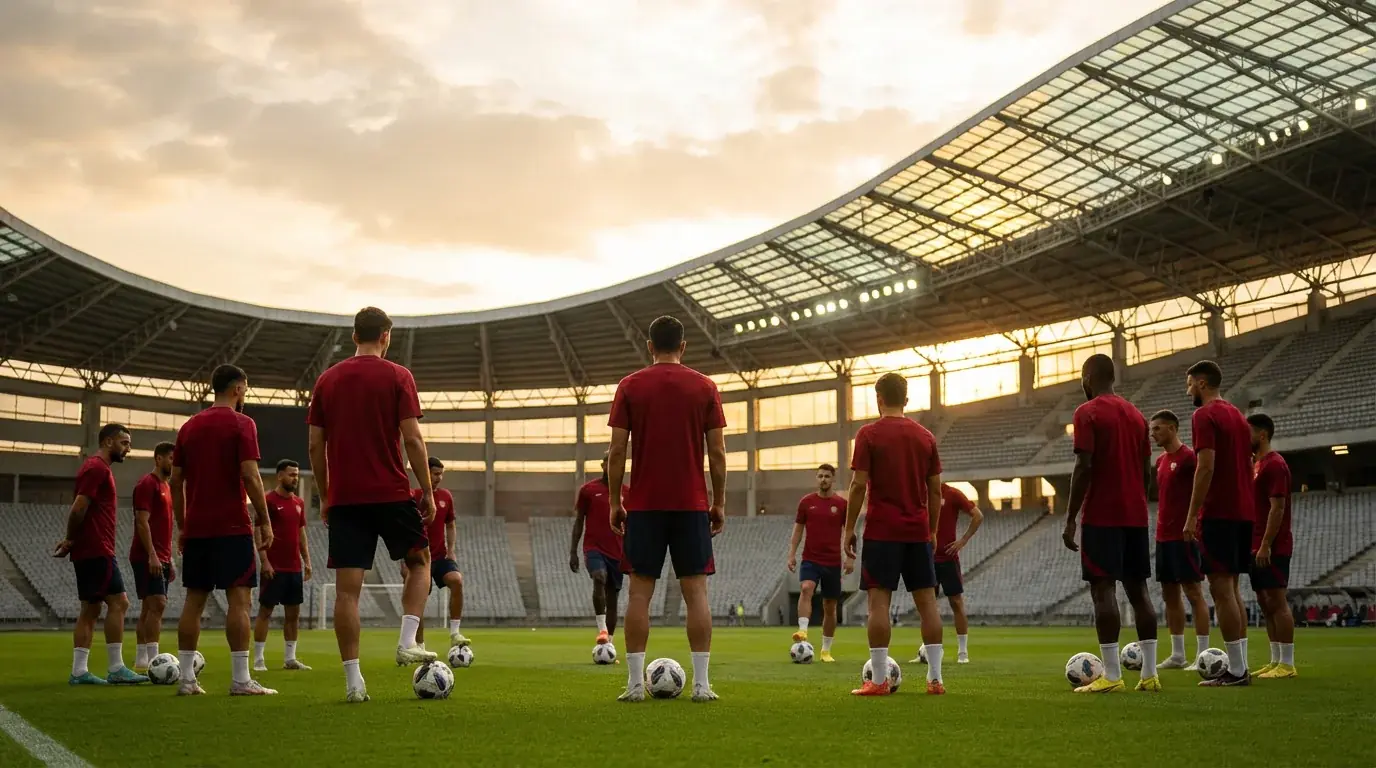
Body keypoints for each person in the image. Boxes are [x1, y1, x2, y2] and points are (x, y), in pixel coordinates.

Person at [308, 307, 435, 704]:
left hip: (347, 500)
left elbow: (315, 445)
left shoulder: (327, 381)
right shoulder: (398, 376)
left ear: (353, 337)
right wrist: (427, 489)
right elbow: (412, 439)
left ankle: (353, 682)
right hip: (391, 493)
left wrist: (327, 496)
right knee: (420, 562)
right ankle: (406, 641)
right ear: (386, 336)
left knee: (347, 593)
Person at [608, 315, 727, 703]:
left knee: (639, 594)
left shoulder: (630, 386)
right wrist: (718, 501)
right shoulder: (705, 387)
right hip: (691, 504)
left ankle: (633, 685)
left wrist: (615, 501)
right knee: (696, 593)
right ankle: (702, 685)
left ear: (649, 345)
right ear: (684, 345)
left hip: (643, 505)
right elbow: (718, 453)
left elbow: (617, 452)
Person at [172, 365, 276, 696]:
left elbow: (176, 481)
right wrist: (264, 517)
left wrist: (182, 525)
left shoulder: (189, 427)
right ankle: (240, 679)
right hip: (232, 526)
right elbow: (249, 474)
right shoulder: (242, 423)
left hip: (198, 527)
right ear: (238, 389)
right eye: (245, 389)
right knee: (240, 601)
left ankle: (186, 679)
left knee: (194, 600)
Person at [1061, 354, 1159, 693]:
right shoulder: (1137, 415)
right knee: (1139, 591)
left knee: (1103, 589)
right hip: (1135, 514)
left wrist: (1071, 517)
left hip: (1102, 514)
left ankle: (1113, 676)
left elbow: (1084, 467)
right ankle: (1149, 674)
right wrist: (1137, 502)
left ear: (1088, 377)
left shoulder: (1087, 412)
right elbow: (1147, 470)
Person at [845, 372, 946, 697]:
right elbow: (935, 491)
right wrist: (931, 529)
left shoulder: (869, 434)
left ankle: (878, 681)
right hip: (916, 531)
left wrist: (848, 528)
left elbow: (859, 484)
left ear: (878, 398)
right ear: (906, 398)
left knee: (878, 605)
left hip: (881, 531)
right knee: (928, 604)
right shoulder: (925, 437)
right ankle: (935, 679)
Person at [54, 423, 147, 685]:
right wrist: (71, 539)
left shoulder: (96, 468)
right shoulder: (96, 468)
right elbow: (78, 508)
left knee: (91, 609)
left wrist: (73, 542)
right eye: (124, 443)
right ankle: (116, 667)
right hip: (96, 549)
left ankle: (79, 671)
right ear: (108, 442)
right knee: (119, 603)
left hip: (90, 549)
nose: (128, 449)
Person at [1184, 359, 1256, 687]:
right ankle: (1241, 666)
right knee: (1234, 590)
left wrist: (1190, 516)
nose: (1188, 391)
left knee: (1221, 589)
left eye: (1189, 384)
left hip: (1219, 512)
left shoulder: (1205, 415)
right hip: (1244, 511)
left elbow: (1206, 467)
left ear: (1201, 383)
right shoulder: (1239, 417)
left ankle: (1238, 672)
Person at [1148, 410, 1211, 671]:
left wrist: (1194, 521)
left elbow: (1204, 488)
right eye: (1152, 430)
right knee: (1169, 594)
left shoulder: (1188, 458)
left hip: (1185, 534)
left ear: (1172, 428)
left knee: (1194, 593)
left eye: (1158, 429)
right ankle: (1177, 654)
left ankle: (1204, 654)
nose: (1153, 434)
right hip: (1163, 536)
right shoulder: (1161, 461)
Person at [1247, 413, 1297, 679]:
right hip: (1255, 543)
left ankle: (1287, 663)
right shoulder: (1256, 464)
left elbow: (1277, 508)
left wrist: (1266, 544)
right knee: (1264, 603)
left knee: (1277, 601)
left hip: (1273, 546)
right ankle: (1275, 659)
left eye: (1249, 433)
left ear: (1262, 434)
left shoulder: (1275, 464)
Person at [252, 459, 313, 672]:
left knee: (293, 615)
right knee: (265, 612)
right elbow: (258, 530)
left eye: (296, 475)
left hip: (294, 567)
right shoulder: (268, 501)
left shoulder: (299, 503)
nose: (294, 478)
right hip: (274, 567)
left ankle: (290, 658)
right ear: (280, 476)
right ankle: (258, 659)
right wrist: (265, 561)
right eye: (291, 474)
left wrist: (307, 560)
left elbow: (301, 533)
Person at [913, 483, 982, 665]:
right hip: (925, 558)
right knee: (927, 607)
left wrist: (963, 540)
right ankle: (926, 651)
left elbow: (978, 515)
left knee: (956, 603)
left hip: (948, 559)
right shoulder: (918, 493)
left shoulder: (952, 494)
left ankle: (962, 652)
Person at [787, 463, 850, 663]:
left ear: (833, 479)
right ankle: (803, 631)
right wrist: (791, 554)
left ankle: (825, 650)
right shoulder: (806, 503)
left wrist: (850, 557)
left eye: (827, 476)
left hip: (832, 562)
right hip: (810, 559)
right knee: (806, 588)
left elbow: (850, 533)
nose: (823, 479)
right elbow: (798, 530)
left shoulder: (841, 504)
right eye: (820, 476)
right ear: (817, 478)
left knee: (830, 606)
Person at [407, 457, 469, 650]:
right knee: (420, 600)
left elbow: (450, 525)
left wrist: (451, 550)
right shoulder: (413, 496)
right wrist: (404, 560)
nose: (439, 478)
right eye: (435, 474)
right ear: (425, 473)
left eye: (441, 474)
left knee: (456, 580)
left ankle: (455, 633)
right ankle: (420, 645)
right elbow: (407, 529)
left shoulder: (446, 497)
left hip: (441, 556)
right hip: (419, 558)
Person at [570, 452, 628, 646]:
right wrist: (573, 552)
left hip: (617, 552)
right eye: (609, 462)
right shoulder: (588, 490)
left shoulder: (627, 493)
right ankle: (602, 629)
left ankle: (608, 643)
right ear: (603, 465)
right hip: (593, 547)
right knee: (599, 577)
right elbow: (579, 521)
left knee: (613, 598)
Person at [130, 441, 176, 674]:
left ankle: (141, 659)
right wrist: (153, 555)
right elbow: (142, 521)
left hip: (162, 556)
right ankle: (155, 661)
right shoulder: (147, 484)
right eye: (170, 458)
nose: (173, 462)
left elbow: (165, 527)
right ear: (158, 458)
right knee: (158, 603)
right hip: (147, 555)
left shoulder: (167, 487)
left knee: (149, 607)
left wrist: (170, 560)